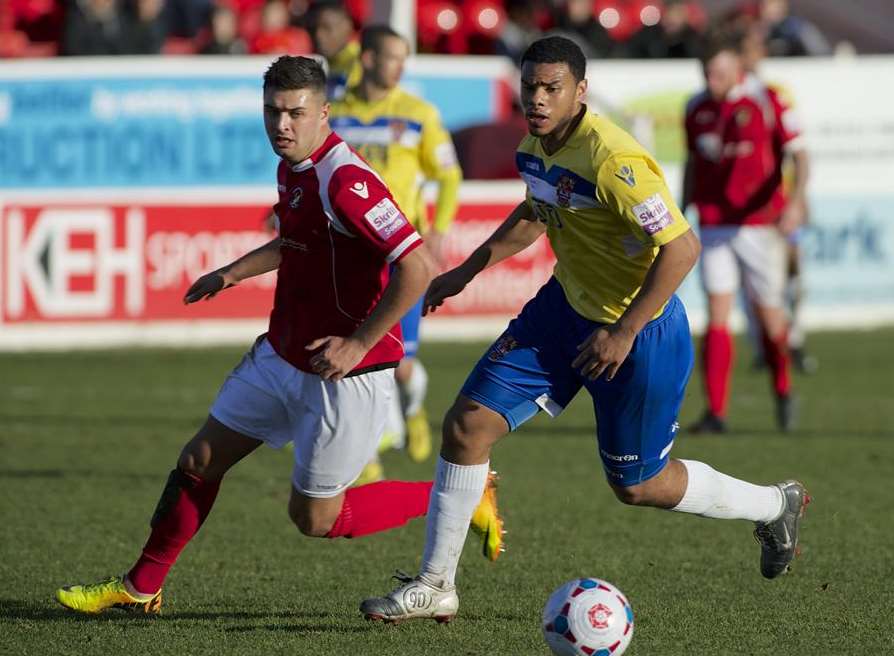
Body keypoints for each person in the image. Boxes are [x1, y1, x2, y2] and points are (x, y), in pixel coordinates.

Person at [360, 36, 810, 624]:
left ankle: (774, 505)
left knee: (637, 484)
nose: (539, 100)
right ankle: (435, 583)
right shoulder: (535, 146)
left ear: (580, 92)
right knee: (467, 426)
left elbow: (682, 248)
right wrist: (466, 271)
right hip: (564, 311)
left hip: (639, 332)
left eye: (552, 88)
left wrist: (623, 331)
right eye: (530, 88)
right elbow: (534, 212)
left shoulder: (615, 161)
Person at [54, 55, 502, 615]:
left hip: (346, 373)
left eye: (295, 112)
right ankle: (141, 587)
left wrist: (358, 343)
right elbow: (297, 241)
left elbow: (415, 266)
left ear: (324, 113)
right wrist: (231, 273)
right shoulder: (294, 166)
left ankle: (463, 497)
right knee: (198, 461)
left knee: (316, 518)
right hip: (284, 354)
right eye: (272, 111)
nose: (281, 124)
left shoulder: (347, 180)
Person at [330, 25, 462, 477]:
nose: (400, 67)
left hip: (400, 254)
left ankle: (413, 411)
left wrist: (439, 231)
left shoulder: (418, 113)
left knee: (401, 365)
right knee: (358, 354)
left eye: (405, 59)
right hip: (351, 252)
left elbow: (448, 175)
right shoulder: (337, 115)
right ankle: (368, 454)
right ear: (367, 59)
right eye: (392, 57)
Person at [683, 38, 803, 434]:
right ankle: (716, 413)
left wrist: (795, 202)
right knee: (717, 314)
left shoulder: (767, 101)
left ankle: (783, 389)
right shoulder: (697, 107)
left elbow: (799, 154)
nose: (711, 80)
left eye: (718, 72)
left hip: (759, 224)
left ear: (737, 69)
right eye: (706, 73)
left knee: (770, 317)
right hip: (715, 224)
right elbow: (693, 165)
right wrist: (684, 211)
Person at [739, 20, 816, 375]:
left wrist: (798, 199)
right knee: (754, 283)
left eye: (753, 49)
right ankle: (764, 345)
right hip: (744, 211)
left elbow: (796, 150)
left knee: (792, 270)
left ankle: (793, 338)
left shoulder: (774, 94)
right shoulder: (725, 96)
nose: (749, 55)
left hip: (779, 201)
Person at [305, 0, 362, 101]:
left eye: (327, 28)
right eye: (313, 28)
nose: (318, 36)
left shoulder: (360, 61)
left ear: (347, 26)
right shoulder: (314, 61)